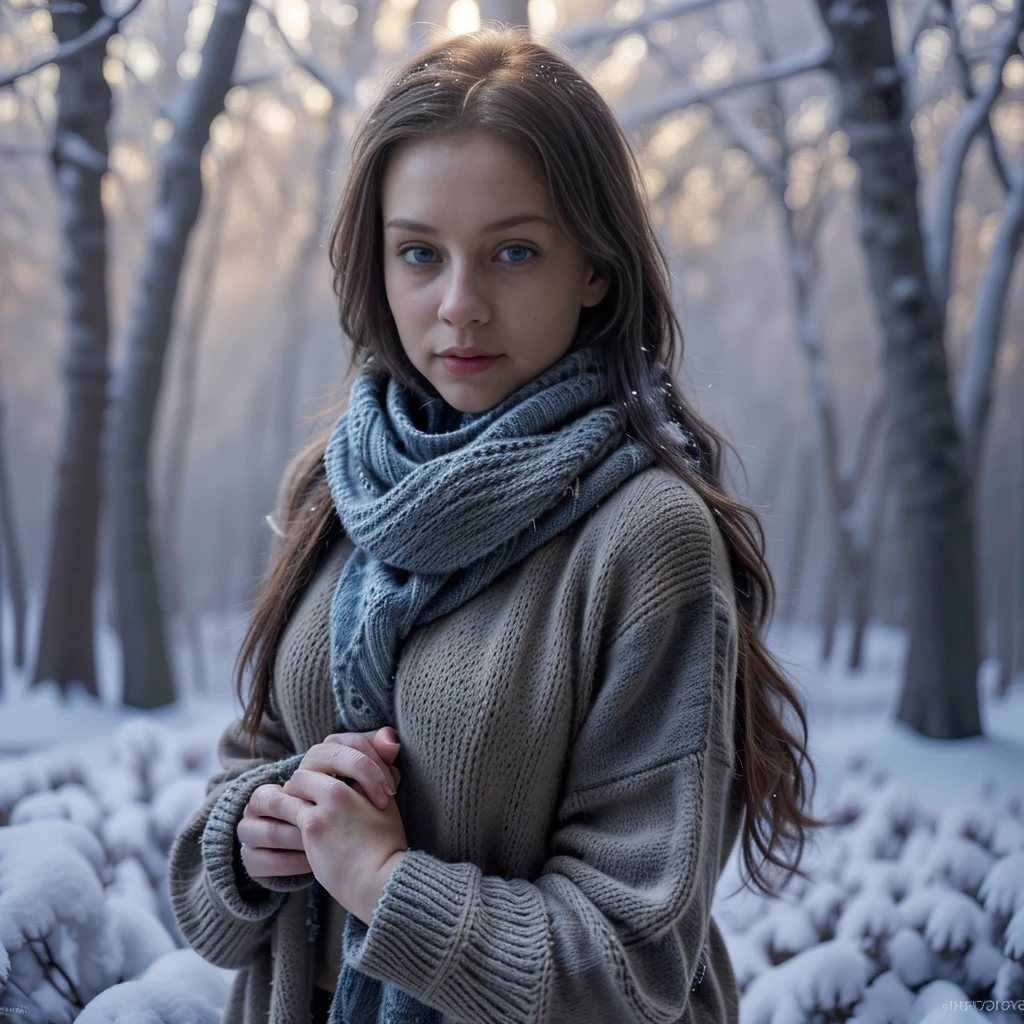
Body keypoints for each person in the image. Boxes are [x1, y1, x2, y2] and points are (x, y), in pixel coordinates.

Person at [168, 22, 827, 1024]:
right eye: (419, 254)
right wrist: (252, 834)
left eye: (513, 252)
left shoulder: (646, 539)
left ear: (593, 268)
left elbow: (633, 968)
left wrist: (385, 883)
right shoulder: (337, 486)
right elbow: (236, 799)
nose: (459, 305)